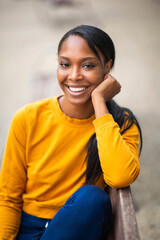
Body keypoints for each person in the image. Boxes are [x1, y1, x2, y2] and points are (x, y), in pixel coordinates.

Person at [0, 25, 142, 240]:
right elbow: (8, 197)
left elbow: (121, 176)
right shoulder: (28, 118)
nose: (74, 76)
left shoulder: (120, 124)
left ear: (107, 67)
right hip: (26, 227)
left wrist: (99, 103)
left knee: (92, 197)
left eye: (87, 65)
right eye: (65, 64)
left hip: (74, 228)